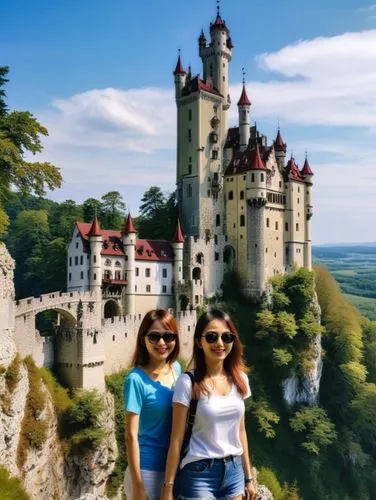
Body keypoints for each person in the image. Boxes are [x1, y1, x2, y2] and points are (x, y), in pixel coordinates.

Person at [161, 309, 257, 500]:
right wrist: (167, 487)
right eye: (212, 337)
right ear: (199, 341)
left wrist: (248, 478)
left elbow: (241, 432)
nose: (220, 343)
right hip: (199, 473)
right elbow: (176, 439)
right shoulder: (187, 383)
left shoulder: (240, 380)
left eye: (227, 337)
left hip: (234, 472)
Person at [123, 309, 181, 500]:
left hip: (173, 469)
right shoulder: (136, 380)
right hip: (147, 469)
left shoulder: (177, 370)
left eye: (168, 336)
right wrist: (138, 486)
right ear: (143, 339)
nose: (162, 343)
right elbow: (131, 436)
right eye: (154, 336)